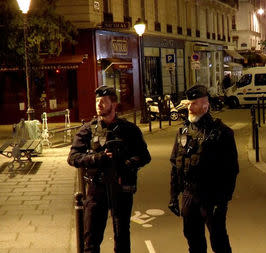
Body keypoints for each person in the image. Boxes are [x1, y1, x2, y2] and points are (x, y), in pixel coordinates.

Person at [68, 86, 151, 253]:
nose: (99, 104)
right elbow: (73, 157)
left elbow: (144, 156)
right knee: (91, 239)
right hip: (96, 189)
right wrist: (95, 158)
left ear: (114, 104)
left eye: (103, 101)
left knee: (122, 238)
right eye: (97, 101)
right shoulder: (88, 130)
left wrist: (127, 165)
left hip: (121, 188)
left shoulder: (129, 130)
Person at [168, 85, 239, 253]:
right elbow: (175, 165)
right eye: (189, 104)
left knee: (218, 240)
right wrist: (173, 195)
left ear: (205, 105)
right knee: (193, 240)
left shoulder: (222, 133)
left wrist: (222, 200)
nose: (189, 108)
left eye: (193, 104)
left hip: (212, 196)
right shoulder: (183, 132)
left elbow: (231, 170)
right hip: (189, 195)